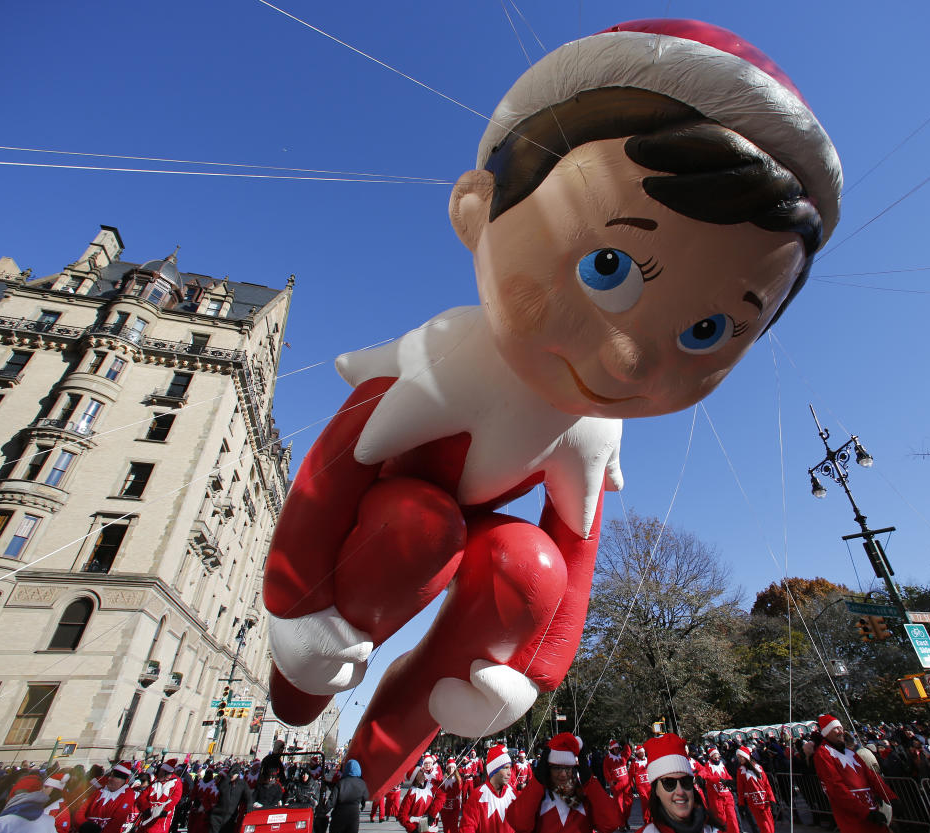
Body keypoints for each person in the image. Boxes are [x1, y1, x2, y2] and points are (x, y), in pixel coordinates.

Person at [264, 16, 843, 796]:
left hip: (472, 539)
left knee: (526, 567)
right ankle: (308, 673)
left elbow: (573, 557)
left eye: (707, 331)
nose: (626, 359)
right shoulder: (444, 361)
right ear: (477, 211)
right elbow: (334, 468)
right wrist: (293, 599)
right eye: (607, 266)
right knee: (414, 522)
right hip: (385, 528)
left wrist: (531, 671)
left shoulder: (592, 431)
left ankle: (381, 755)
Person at [508, 733, 620, 833]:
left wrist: (589, 781)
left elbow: (611, 823)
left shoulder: (584, 796)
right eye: (557, 768)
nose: (563, 774)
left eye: (567, 768)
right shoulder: (540, 796)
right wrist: (537, 782)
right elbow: (519, 824)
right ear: (548, 769)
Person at [812, 715, 894, 833]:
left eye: (841, 728)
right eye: (836, 729)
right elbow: (835, 788)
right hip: (854, 819)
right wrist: (865, 812)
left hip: (873, 813)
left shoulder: (851, 753)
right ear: (826, 733)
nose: (841, 731)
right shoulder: (823, 754)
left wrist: (891, 797)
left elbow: (871, 776)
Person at [636, 733, 725, 833]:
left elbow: (704, 771)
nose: (680, 791)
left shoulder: (714, 830)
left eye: (685, 781)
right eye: (669, 783)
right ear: (656, 790)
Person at [460, 746, 518, 833]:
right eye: (505, 768)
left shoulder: (513, 793)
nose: (510, 773)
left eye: (510, 767)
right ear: (494, 770)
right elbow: (467, 827)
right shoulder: (478, 795)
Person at [76, 764, 137, 833]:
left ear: (122, 780)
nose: (109, 778)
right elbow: (81, 809)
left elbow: (118, 820)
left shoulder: (128, 794)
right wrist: (83, 824)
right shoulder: (99, 791)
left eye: (114, 777)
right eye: (110, 776)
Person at [695, 748, 739, 833]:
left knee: (732, 818)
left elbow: (727, 776)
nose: (717, 758)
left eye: (718, 756)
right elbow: (707, 776)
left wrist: (730, 781)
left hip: (727, 796)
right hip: (717, 798)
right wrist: (719, 779)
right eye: (715, 756)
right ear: (711, 756)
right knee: (721, 820)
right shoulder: (708, 766)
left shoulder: (722, 764)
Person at [733, 748, 774, 833]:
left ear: (746, 756)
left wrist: (772, 799)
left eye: (741, 757)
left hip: (765, 800)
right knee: (763, 825)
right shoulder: (740, 771)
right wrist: (741, 803)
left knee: (770, 823)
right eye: (738, 757)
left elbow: (767, 785)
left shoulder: (758, 767)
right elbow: (740, 788)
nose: (739, 759)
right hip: (754, 802)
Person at [139, 762, 185, 833]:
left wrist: (165, 809)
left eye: (161, 772)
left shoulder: (176, 782)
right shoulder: (155, 782)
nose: (159, 773)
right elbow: (142, 797)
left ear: (166, 773)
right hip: (149, 813)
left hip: (162, 815)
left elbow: (175, 798)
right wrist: (146, 808)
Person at [397, 765, 445, 833]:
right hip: (417, 828)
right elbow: (402, 815)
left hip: (430, 827)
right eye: (420, 771)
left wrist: (432, 814)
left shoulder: (430, 786)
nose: (423, 772)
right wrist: (412, 829)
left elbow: (441, 797)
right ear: (415, 777)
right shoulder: (411, 793)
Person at [329, 761, 368, 833]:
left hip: (339, 813)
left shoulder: (341, 783)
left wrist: (323, 811)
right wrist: (363, 804)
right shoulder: (362, 783)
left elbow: (332, 801)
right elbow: (365, 797)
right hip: (354, 814)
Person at [438, 759, 471, 833]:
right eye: (449, 768)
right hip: (445, 807)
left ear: (455, 768)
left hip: (454, 806)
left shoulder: (458, 779)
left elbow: (456, 792)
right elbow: (440, 791)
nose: (451, 769)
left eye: (453, 767)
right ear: (447, 768)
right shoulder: (443, 779)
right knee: (446, 827)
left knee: (453, 826)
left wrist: (445, 794)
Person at [628, 746, 650, 826]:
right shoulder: (634, 762)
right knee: (645, 802)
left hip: (650, 785)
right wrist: (631, 786)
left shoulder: (648, 760)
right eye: (641, 753)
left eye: (643, 752)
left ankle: (652, 819)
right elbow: (631, 775)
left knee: (651, 803)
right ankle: (646, 820)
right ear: (638, 754)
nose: (643, 754)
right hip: (641, 786)